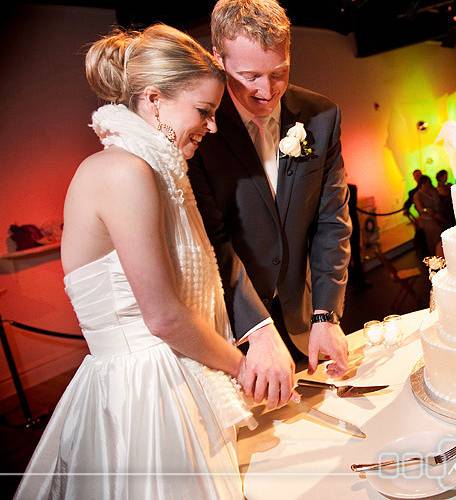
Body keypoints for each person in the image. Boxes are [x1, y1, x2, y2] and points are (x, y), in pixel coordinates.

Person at [16, 24, 260, 499]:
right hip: (144, 398)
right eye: (204, 111)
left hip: (167, 381)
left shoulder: (151, 169)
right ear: (153, 99)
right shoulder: (124, 171)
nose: (211, 127)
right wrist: (240, 367)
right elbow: (165, 317)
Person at [188, 0, 351, 398]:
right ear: (217, 58)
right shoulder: (199, 129)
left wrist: (325, 314)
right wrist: (256, 328)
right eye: (249, 75)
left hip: (304, 317)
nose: (266, 89)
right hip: (233, 327)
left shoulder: (321, 116)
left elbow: (332, 220)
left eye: (279, 72)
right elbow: (214, 239)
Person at [413, 175, 447, 257]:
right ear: (422, 184)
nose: (429, 185)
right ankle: (437, 254)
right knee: (435, 235)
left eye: (429, 183)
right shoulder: (417, 195)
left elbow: (439, 203)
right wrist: (428, 211)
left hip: (439, 215)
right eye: (427, 183)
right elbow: (421, 209)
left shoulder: (433, 191)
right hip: (428, 219)